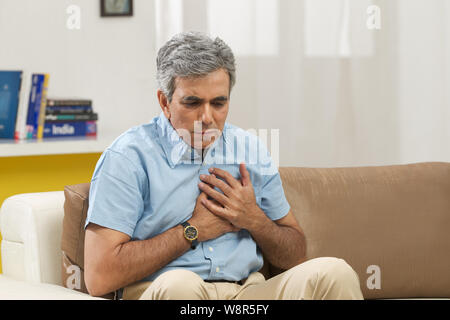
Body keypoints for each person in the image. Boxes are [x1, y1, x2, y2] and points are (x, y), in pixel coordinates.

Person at [84, 31, 364, 300]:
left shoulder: (250, 149)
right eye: (192, 102)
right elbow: (99, 278)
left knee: (334, 273)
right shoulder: (128, 157)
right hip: (166, 290)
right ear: (164, 102)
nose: (207, 117)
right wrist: (191, 231)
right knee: (180, 286)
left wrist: (256, 220)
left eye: (218, 103)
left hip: (247, 292)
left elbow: (296, 254)